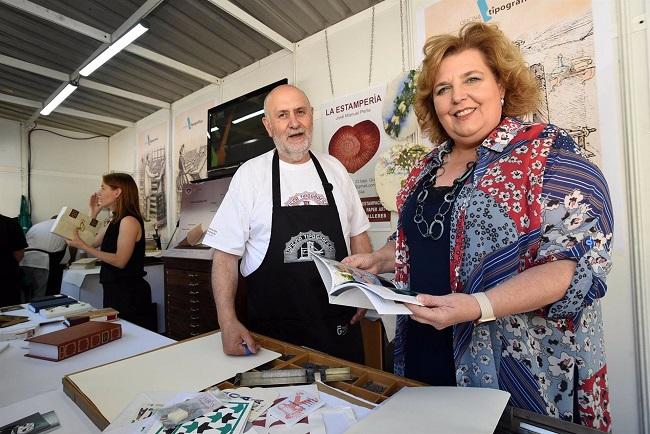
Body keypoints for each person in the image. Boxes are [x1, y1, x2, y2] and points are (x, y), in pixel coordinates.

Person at [344, 22, 613, 431]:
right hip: (424, 348)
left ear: (502, 85)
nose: (458, 97)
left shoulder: (548, 155)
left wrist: (476, 307)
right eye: (442, 88)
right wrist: (377, 261)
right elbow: (415, 240)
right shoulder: (424, 167)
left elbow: (573, 268)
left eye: (472, 79)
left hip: (518, 369)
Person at [203, 84, 372, 363]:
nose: (294, 123)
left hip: (339, 326)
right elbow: (224, 257)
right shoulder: (250, 175)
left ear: (311, 116)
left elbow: (358, 235)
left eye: (300, 112)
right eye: (282, 115)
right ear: (268, 126)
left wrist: (365, 291)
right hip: (273, 333)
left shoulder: (335, 170)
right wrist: (227, 321)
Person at [65, 173, 154, 330]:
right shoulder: (114, 221)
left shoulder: (129, 221)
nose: (99, 192)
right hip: (114, 289)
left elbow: (120, 261)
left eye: (103, 187)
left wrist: (85, 247)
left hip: (130, 293)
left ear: (117, 192)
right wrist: (93, 212)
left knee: (131, 339)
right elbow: (91, 240)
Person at [20, 215, 74, 299]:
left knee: (24, 292)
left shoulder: (37, 225)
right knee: (40, 293)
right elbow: (66, 259)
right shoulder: (62, 228)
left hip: (24, 260)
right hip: (42, 262)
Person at [0, 214, 27, 307]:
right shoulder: (10, 223)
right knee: (11, 315)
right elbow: (19, 253)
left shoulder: (10, 224)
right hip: (7, 279)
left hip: (7, 279)